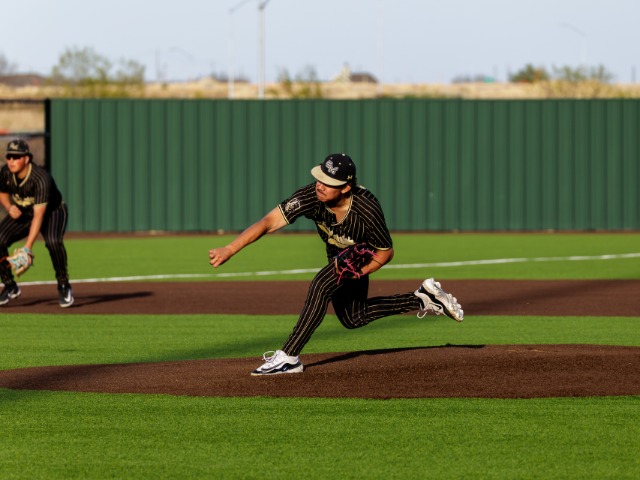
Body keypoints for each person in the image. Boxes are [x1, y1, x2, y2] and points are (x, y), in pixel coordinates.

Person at [209, 153, 463, 375]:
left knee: (321, 285)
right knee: (354, 317)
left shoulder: (367, 210)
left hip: (360, 257)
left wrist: (360, 272)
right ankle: (423, 298)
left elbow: (386, 253)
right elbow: (269, 221)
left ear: (345, 187)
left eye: (328, 182)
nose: (320, 185)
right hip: (336, 255)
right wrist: (230, 249)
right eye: (320, 178)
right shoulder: (311, 196)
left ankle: (288, 357)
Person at [0, 138, 74, 307]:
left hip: (52, 212)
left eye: (16, 157)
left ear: (27, 158)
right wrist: (8, 207)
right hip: (25, 211)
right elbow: (2, 191)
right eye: (9, 156)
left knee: (53, 242)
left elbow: (39, 215)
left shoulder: (41, 178)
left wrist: (28, 247)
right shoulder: (6, 172)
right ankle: (10, 286)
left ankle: (63, 284)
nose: (11, 160)